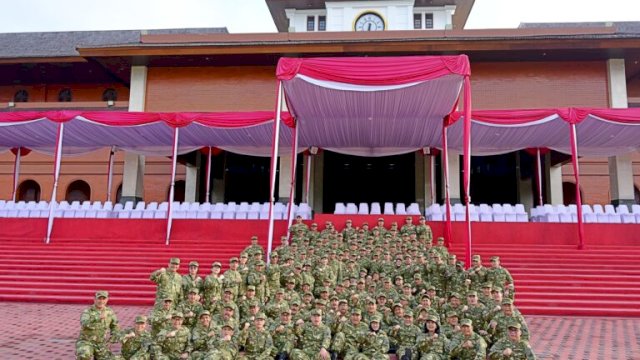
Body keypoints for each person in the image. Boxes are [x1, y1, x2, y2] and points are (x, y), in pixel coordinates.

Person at [76, 290, 120, 360]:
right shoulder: (88, 311)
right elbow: (84, 323)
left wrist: (112, 339)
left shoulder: (110, 312)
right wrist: (97, 318)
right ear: (95, 299)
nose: (101, 301)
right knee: (84, 355)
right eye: (99, 298)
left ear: (107, 300)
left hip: (101, 343)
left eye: (104, 299)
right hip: (86, 341)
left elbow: (115, 326)